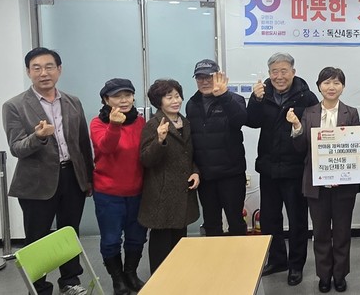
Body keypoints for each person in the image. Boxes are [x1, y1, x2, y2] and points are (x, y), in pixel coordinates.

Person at [2, 47, 93, 295]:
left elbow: (82, 143)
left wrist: (88, 178)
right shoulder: (14, 106)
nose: (44, 73)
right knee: (36, 238)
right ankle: (39, 288)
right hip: (36, 183)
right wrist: (38, 137)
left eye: (49, 67)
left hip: (72, 177)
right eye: (37, 68)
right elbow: (16, 148)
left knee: (69, 232)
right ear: (28, 72)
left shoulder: (73, 101)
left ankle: (70, 281)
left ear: (59, 70)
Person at [246, 53, 319, 286]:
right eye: (274, 72)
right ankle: (277, 259)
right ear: (269, 74)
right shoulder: (263, 93)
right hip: (268, 168)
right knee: (269, 219)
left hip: (295, 169)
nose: (279, 76)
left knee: (297, 220)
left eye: (284, 71)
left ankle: (296, 265)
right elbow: (251, 121)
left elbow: (313, 129)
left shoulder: (306, 96)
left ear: (293, 72)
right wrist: (255, 100)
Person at [287, 67, 360, 293]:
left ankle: (340, 275)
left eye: (336, 83)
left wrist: (340, 172)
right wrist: (297, 127)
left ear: (343, 87)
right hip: (315, 183)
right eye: (327, 82)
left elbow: (355, 148)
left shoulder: (351, 113)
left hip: (344, 184)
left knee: (342, 233)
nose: (331, 87)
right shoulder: (308, 113)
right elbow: (300, 148)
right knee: (320, 233)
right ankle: (324, 275)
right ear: (319, 86)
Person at [90, 78, 148, 294]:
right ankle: (118, 279)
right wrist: (114, 125)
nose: (123, 100)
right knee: (111, 239)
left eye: (128, 95)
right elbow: (106, 148)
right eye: (117, 96)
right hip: (108, 193)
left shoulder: (140, 122)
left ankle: (131, 274)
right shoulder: (98, 123)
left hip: (138, 191)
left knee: (137, 237)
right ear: (106, 100)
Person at [138, 79, 200, 273]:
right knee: (161, 241)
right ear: (159, 101)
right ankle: (160, 279)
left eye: (177, 96)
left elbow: (190, 154)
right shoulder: (152, 125)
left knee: (180, 238)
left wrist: (196, 172)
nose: (175, 101)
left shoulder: (185, 122)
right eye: (169, 97)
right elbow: (146, 159)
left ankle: (178, 276)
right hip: (162, 193)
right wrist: (159, 140)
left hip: (183, 191)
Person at [186, 59, 248, 236]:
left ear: (219, 77)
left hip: (231, 174)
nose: (204, 82)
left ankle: (239, 254)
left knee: (235, 221)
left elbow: (240, 120)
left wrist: (223, 96)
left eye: (209, 77)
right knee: (211, 223)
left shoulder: (234, 99)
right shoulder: (192, 103)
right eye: (200, 78)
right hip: (206, 176)